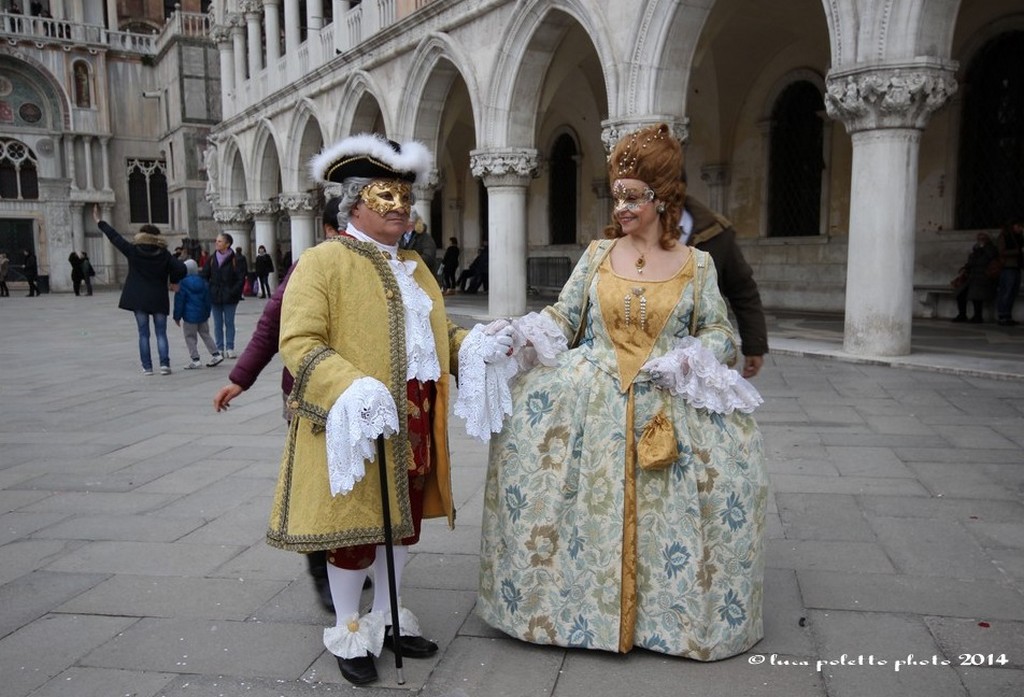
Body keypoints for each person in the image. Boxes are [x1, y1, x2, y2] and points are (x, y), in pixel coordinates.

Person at [477, 123, 767, 661]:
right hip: (591, 400)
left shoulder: (697, 264)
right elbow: (564, 317)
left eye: (634, 197)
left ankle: (665, 622)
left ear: (663, 198)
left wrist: (688, 358)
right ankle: (576, 614)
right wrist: (521, 333)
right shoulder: (597, 254)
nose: (623, 207)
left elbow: (720, 332)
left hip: (666, 401)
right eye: (618, 196)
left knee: (678, 514)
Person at [265, 132, 512, 686]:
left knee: (401, 524)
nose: (401, 206)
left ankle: (388, 616)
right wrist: (348, 386)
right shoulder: (323, 262)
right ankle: (350, 629)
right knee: (353, 528)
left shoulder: (416, 266)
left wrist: (473, 344)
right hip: (352, 420)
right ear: (354, 203)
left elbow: (433, 335)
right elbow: (299, 341)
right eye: (386, 196)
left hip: (414, 415)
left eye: (406, 196)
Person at [213, 198, 342, 610]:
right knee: (316, 480)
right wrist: (241, 378)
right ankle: (320, 568)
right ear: (329, 229)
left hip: (363, 394)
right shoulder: (311, 265)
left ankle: (348, 560)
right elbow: (272, 323)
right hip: (309, 395)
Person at [680, 193, 769, 378]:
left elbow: (742, 290)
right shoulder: (630, 229)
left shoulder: (715, 232)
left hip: (701, 351)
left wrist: (754, 345)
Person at [93, 204, 187, 375]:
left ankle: (147, 367)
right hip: (158, 297)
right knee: (161, 333)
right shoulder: (164, 254)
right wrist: (174, 281)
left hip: (139, 298)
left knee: (143, 334)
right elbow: (181, 268)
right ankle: (164, 365)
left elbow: (115, 238)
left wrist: (100, 222)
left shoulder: (133, 250)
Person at [173, 259, 223, 369]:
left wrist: (177, 317)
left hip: (189, 316)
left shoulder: (183, 283)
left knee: (190, 337)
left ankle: (195, 359)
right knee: (206, 334)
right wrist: (207, 313)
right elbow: (207, 299)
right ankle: (216, 354)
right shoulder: (203, 282)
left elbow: (179, 301)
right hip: (202, 315)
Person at [202, 233, 244, 358]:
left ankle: (230, 347)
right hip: (215, 296)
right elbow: (204, 276)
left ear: (227, 244)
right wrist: (209, 290)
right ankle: (219, 347)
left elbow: (241, 278)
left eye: (220, 241)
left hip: (230, 297)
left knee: (229, 322)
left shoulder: (236, 259)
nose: (217, 243)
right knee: (218, 323)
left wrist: (233, 291)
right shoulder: (212, 259)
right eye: (217, 240)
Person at [951, 232, 998, 323]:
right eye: (979, 238)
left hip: (983, 277)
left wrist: (984, 247)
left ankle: (978, 316)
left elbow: (991, 257)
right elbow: (971, 262)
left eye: (983, 238)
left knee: (976, 296)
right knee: (960, 294)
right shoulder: (975, 250)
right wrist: (965, 268)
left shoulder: (991, 249)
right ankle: (962, 314)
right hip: (972, 277)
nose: (980, 241)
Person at [995, 222, 1023, 326]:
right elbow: (1001, 251)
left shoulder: (1019, 237)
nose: (1020, 228)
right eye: (1018, 226)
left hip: (1017, 267)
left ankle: (1008, 315)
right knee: (1006, 292)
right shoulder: (1004, 236)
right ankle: (1002, 316)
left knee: (1013, 292)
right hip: (1008, 267)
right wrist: (1017, 251)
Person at [399, 209, 438, 277]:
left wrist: (410, 263)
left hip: (422, 276)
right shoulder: (400, 236)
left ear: (411, 222)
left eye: (403, 218)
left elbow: (428, 257)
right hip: (405, 275)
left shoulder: (425, 238)